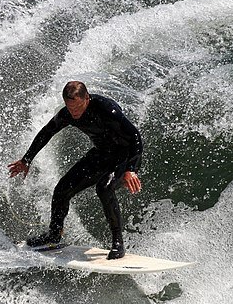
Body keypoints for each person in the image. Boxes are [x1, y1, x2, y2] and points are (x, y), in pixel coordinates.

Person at [8, 81, 143, 259]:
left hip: (124, 157)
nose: (75, 113)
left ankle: (118, 243)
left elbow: (135, 138)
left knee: (104, 188)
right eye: (70, 108)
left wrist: (130, 169)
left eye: (78, 107)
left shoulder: (107, 110)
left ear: (87, 98)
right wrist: (27, 159)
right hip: (101, 154)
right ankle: (54, 235)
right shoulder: (68, 114)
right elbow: (47, 132)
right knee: (62, 189)